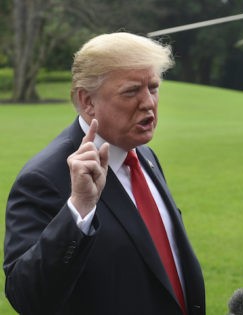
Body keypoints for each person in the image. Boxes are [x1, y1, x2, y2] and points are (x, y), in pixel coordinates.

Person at [3, 32, 205, 315]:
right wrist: (78, 210)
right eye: (131, 91)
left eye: (153, 87)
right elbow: (27, 297)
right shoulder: (44, 178)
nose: (148, 103)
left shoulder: (143, 155)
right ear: (87, 101)